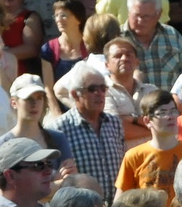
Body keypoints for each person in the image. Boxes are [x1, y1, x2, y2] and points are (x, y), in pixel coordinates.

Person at [49, 62, 127, 191]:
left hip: (117, 202)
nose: (99, 93)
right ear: (75, 94)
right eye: (92, 89)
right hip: (82, 202)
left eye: (103, 88)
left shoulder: (114, 123)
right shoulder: (58, 129)